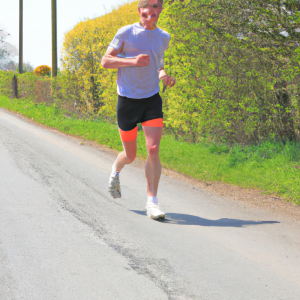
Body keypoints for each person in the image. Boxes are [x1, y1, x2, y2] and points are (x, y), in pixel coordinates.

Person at [101, 0, 175, 220]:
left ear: (160, 10)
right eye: (146, 11)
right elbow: (105, 61)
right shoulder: (125, 33)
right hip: (127, 101)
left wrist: (164, 76)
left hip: (151, 99)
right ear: (139, 11)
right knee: (130, 155)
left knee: (153, 150)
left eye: (155, 9)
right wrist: (132, 61)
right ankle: (116, 169)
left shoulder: (164, 37)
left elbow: (158, 63)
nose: (150, 15)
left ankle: (152, 203)